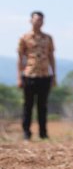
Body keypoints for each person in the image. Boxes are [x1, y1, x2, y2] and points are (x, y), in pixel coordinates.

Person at [17, 11, 56, 140]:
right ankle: (26, 133)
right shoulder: (24, 37)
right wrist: (19, 76)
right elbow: (20, 58)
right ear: (31, 21)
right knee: (28, 106)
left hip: (44, 76)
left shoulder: (48, 38)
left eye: (40, 20)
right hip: (29, 75)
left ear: (43, 22)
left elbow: (51, 57)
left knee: (42, 106)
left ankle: (43, 133)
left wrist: (54, 75)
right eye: (36, 19)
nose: (38, 22)